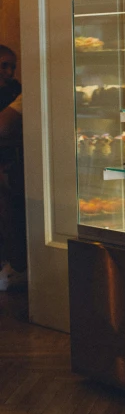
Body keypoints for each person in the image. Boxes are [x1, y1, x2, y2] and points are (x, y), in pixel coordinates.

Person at [0, 46, 26, 290]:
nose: (9, 72)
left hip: (11, 158)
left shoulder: (16, 92)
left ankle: (15, 264)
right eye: (3, 65)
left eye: (12, 66)